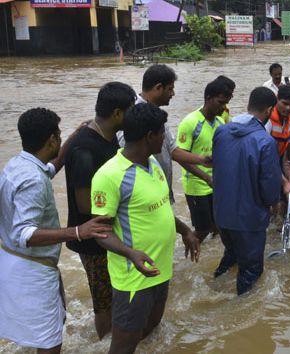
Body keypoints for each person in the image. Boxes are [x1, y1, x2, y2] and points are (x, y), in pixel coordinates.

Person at [91, 103, 200, 354]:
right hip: (134, 278)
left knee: (150, 329)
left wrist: (185, 231)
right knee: (123, 345)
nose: (165, 138)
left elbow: (160, 208)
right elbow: (100, 231)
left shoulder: (153, 164)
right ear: (150, 136)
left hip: (160, 269)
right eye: (162, 133)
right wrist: (131, 253)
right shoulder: (110, 176)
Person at [0, 108, 111, 353]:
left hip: (14, 261)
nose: (60, 138)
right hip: (32, 268)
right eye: (59, 135)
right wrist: (78, 231)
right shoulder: (33, 180)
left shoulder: (18, 164)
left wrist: (73, 136)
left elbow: (52, 167)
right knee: (50, 341)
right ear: (51, 139)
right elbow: (25, 234)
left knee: (48, 324)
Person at [63, 82, 136, 340]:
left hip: (109, 235)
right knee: (103, 300)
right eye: (130, 110)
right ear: (117, 113)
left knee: (116, 294)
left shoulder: (109, 138)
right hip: (93, 241)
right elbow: (85, 205)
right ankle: (106, 343)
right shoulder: (85, 149)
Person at [212, 87, 281, 294]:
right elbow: (269, 187)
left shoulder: (221, 131)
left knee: (231, 254)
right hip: (249, 218)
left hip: (221, 214)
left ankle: (215, 285)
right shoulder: (265, 141)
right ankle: (240, 309)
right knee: (251, 270)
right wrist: (272, 204)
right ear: (269, 111)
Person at [118, 64, 211, 203]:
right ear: (158, 88)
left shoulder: (156, 113)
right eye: (170, 89)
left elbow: (172, 150)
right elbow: (127, 155)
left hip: (161, 191)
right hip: (144, 196)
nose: (173, 94)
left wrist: (202, 160)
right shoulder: (133, 113)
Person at [176, 76, 233, 242]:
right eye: (220, 102)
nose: (223, 108)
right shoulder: (190, 122)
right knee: (202, 229)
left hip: (215, 184)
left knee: (218, 225)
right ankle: (189, 257)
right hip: (196, 186)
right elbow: (180, 156)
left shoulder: (220, 123)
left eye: (226, 104)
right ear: (208, 98)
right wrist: (206, 177)